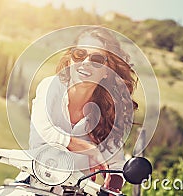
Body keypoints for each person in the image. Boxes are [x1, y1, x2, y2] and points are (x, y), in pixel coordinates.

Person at [28, 27, 138, 193]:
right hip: (33, 186)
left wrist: (112, 187)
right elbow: (45, 131)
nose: (85, 62)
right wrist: (91, 150)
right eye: (79, 54)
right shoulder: (49, 86)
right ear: (70, 59)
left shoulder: (107, 112)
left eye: (97, 59)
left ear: (107, 72)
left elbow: (116, 164)